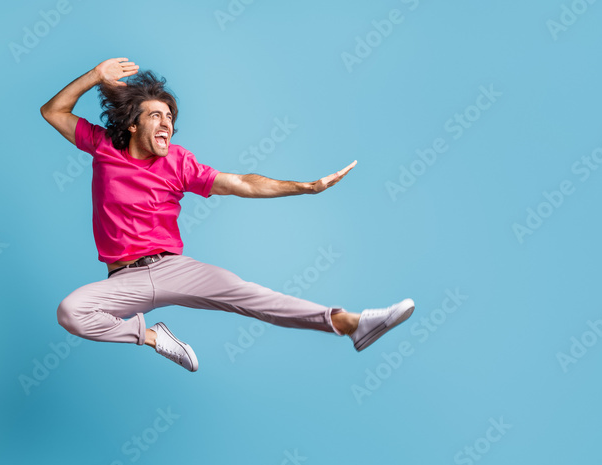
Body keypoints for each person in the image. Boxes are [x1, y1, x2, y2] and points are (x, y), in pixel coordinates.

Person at [40, 57, 414, 372]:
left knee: (251, 297)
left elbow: (243, 183)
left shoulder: (178, 162)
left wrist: (305, 186)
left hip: (173, 268)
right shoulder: (105, 146)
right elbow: (52, 111)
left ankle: (352, 323)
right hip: (123, 279)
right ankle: (153, 336)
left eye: (169, 115)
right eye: (155, 115)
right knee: (71, 312)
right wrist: (95, 75)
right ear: (133, 124)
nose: (166, 122)